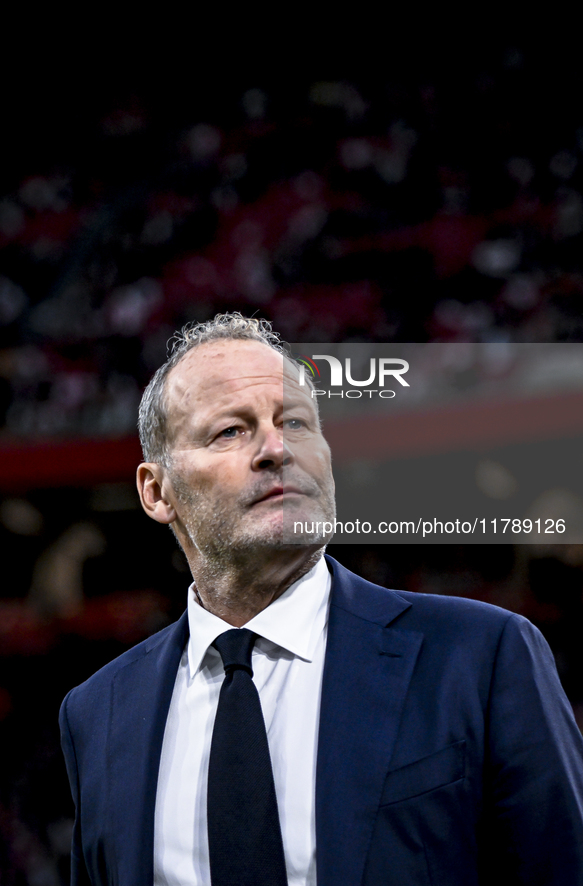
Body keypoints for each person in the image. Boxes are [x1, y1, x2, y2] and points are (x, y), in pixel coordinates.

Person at [60, 312, 583, 886]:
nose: (276, 449)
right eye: (230, 431)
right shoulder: (97, 713)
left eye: (297, 423)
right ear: (157, 492)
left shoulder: (481, 657)